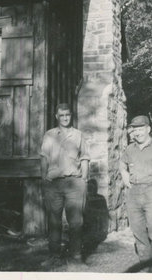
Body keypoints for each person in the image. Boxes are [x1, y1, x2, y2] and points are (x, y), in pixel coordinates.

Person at [40, 103, 90, 268]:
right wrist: (44, 179)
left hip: (74, 183)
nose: (65, 118)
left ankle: (76, 258)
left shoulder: (78, 135)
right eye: (61, 115)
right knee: (54, 221)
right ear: (56, 116)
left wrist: (84, 179)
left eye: (67, 115)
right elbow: (44, 158)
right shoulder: (49, 135)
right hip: (54, 184)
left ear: (71, 115)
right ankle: (54, 256)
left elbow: (85, 158)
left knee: (76, 222)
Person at [119, 115, 152, 262]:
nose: (137, 133)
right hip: (134, 194)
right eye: (135, 130)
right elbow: (122, 165)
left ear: (148, 129)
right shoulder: (130, 149)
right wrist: (126, 180)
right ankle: (145, 264)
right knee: (138, 231)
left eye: (141, 129)